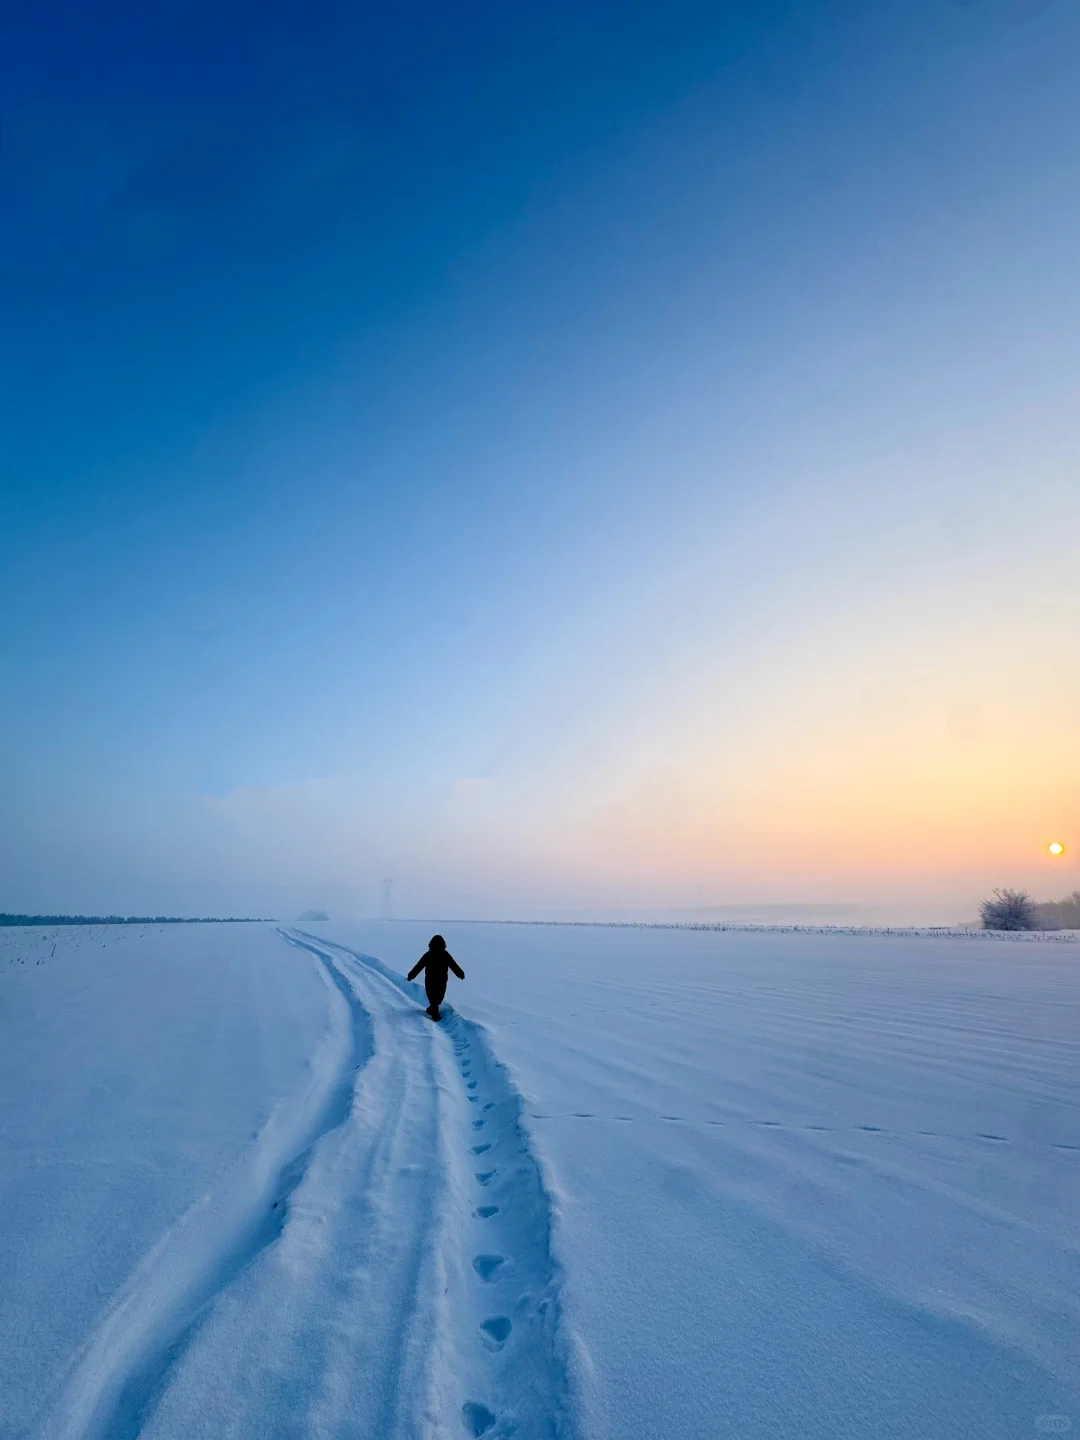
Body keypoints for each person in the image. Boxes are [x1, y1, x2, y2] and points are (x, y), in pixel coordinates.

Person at [407, 935, 464, 1021]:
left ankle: (431, 1010)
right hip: (431, 980)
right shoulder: (429, 954)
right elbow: (419, 966)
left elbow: (453, 965)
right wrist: (411, 975)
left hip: (441, 980)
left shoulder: (445, 954)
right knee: (433, 998)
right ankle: (435, 1015)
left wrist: (460, 974)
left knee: (439, 998)